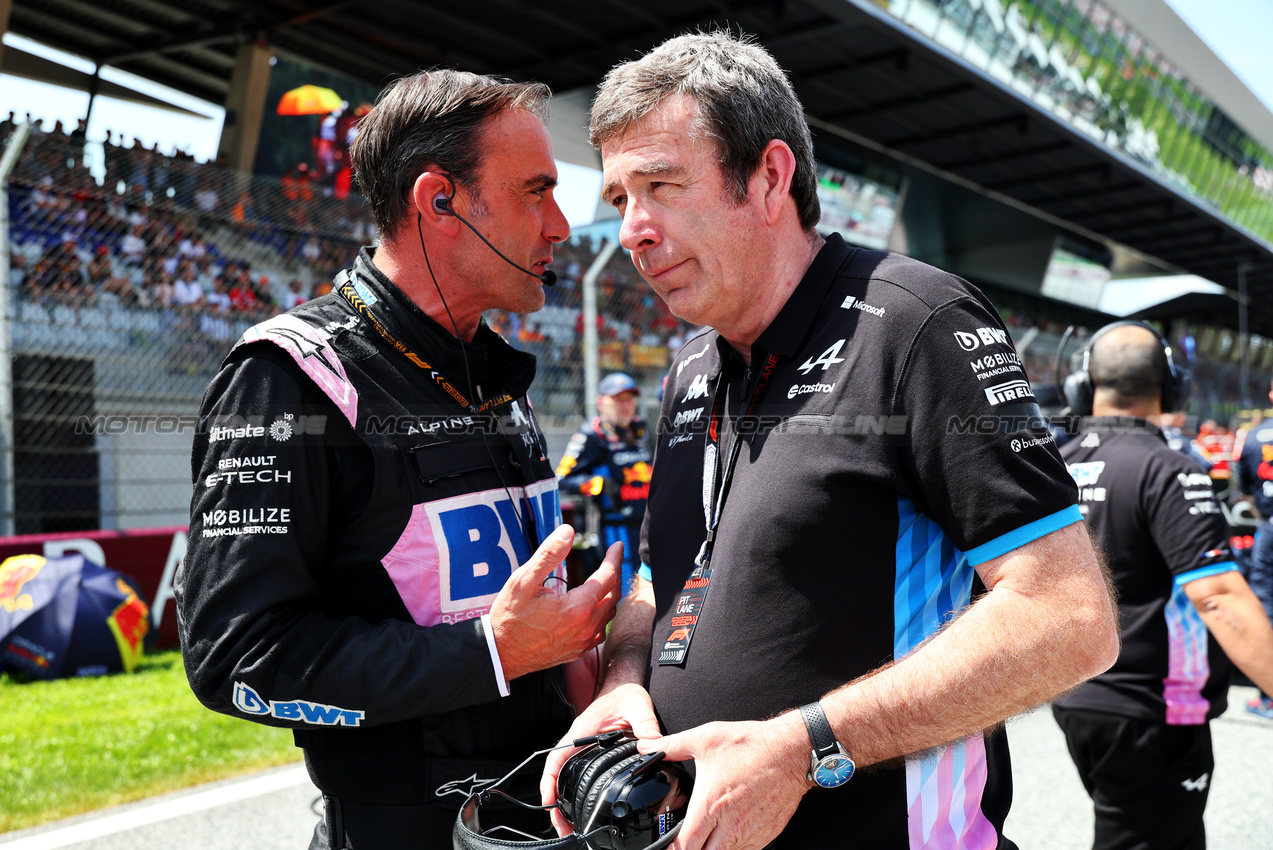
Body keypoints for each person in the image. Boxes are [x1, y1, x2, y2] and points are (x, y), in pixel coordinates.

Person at [540, 31, 1118, 849]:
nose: (633, 230)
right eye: (620, 199)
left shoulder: (915, 324)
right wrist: (623, 681)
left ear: (770, 176)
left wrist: (800, 750)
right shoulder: (688, 367)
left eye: (662, 186)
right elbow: (662, 575)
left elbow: (1066, 617)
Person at [175, 68, 621, 849]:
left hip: (544, 814)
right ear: (438, 201)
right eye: (535, 191)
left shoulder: (488, 373)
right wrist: (491, 653)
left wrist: (574, 649)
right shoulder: (290, 378)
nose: (559, 225)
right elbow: (236, 656)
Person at [1055, 321, 1273, 850]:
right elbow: (1219, 596)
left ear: (1082, 386)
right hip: (1154, 711)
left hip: (1075, 699)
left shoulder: (1056, 464)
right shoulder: (1170, 470)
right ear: (1173, 388)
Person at [556, 372, 653, 592]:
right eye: (617, 399)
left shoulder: (641, 429)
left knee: (651, 594)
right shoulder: (591, 435)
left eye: (629, 398)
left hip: (646, 524)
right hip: (613, 530)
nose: (625, 405)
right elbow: (561, 479)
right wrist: (597, 483)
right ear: (601, 403)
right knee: (624, 595)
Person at [1230, 377, 1273, 719]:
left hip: (1270, 528)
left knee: (1267, 605)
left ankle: (1270, 695)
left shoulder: (1254, 435)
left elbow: (1243, 489)